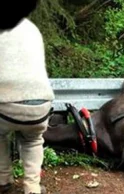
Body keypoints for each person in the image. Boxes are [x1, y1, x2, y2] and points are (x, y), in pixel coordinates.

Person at [0, 1, 55, 194]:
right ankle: (32, 187)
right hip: (41, 105)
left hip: (6, 106)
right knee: (33, 139)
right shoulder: (32, 30)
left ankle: (3, 180)